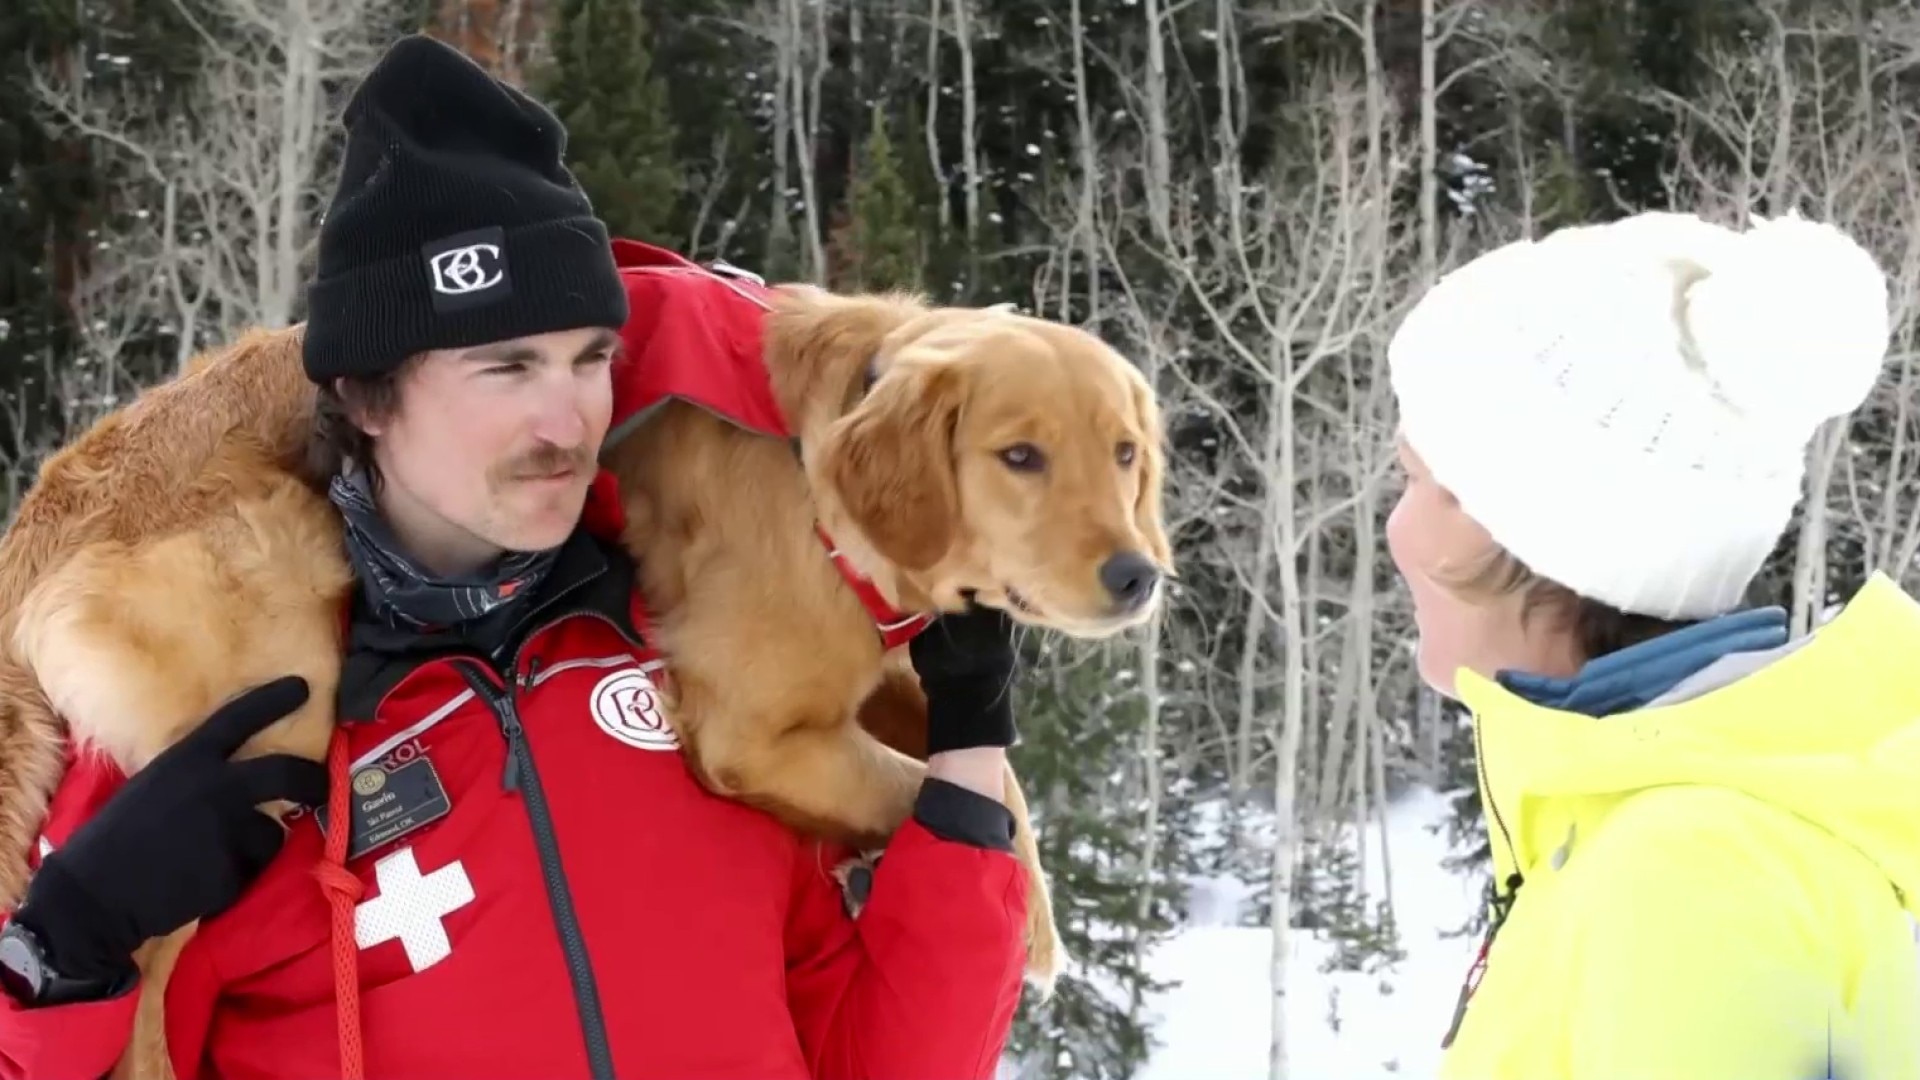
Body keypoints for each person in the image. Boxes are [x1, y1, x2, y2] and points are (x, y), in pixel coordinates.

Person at [0, 34, 1029, 1080]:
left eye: (591, 358)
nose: (567, 419)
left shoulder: (699, 668)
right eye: (507, 366)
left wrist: (967, 759)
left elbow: (886, 1059)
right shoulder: (218, 720)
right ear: (366, 395)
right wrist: (63, 949)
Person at [1384, 208, 1920, 1080]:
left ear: (1527, 528)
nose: (1394, 528)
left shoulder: (1692, 870)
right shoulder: (1637, 830)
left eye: (1414, 479)